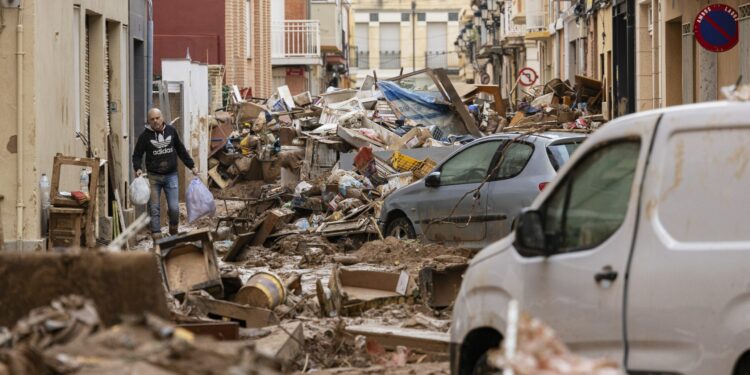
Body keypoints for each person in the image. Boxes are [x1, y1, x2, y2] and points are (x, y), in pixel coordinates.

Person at [132, 108, 198, 239]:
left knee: (174, 208)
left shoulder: (171, 131)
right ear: (149, 121)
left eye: (157, 118)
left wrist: (192, 166)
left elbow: (181, 150)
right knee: (154, 208)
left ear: (162, 118)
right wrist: (138, 168)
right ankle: (156, 236)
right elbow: (137, 155)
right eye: (152, 119)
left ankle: (173, 229)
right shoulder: (145, 136)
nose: (155, 121)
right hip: (153, 177)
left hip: (171, 176)